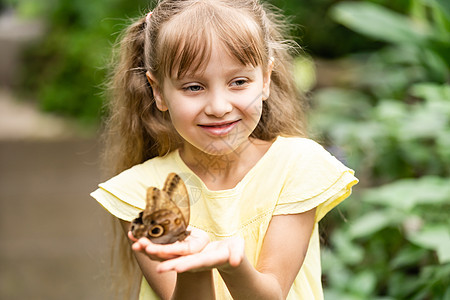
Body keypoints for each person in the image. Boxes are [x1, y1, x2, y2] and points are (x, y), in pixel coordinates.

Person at [91, 0, 358, 299]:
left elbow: (272, 293)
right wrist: (194, 268)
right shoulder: (145, 192)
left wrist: (232, 264)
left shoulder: (296, 167)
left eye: (239, 82)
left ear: (266, 79)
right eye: (193, 87)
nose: (219, 107)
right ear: (158, 91)